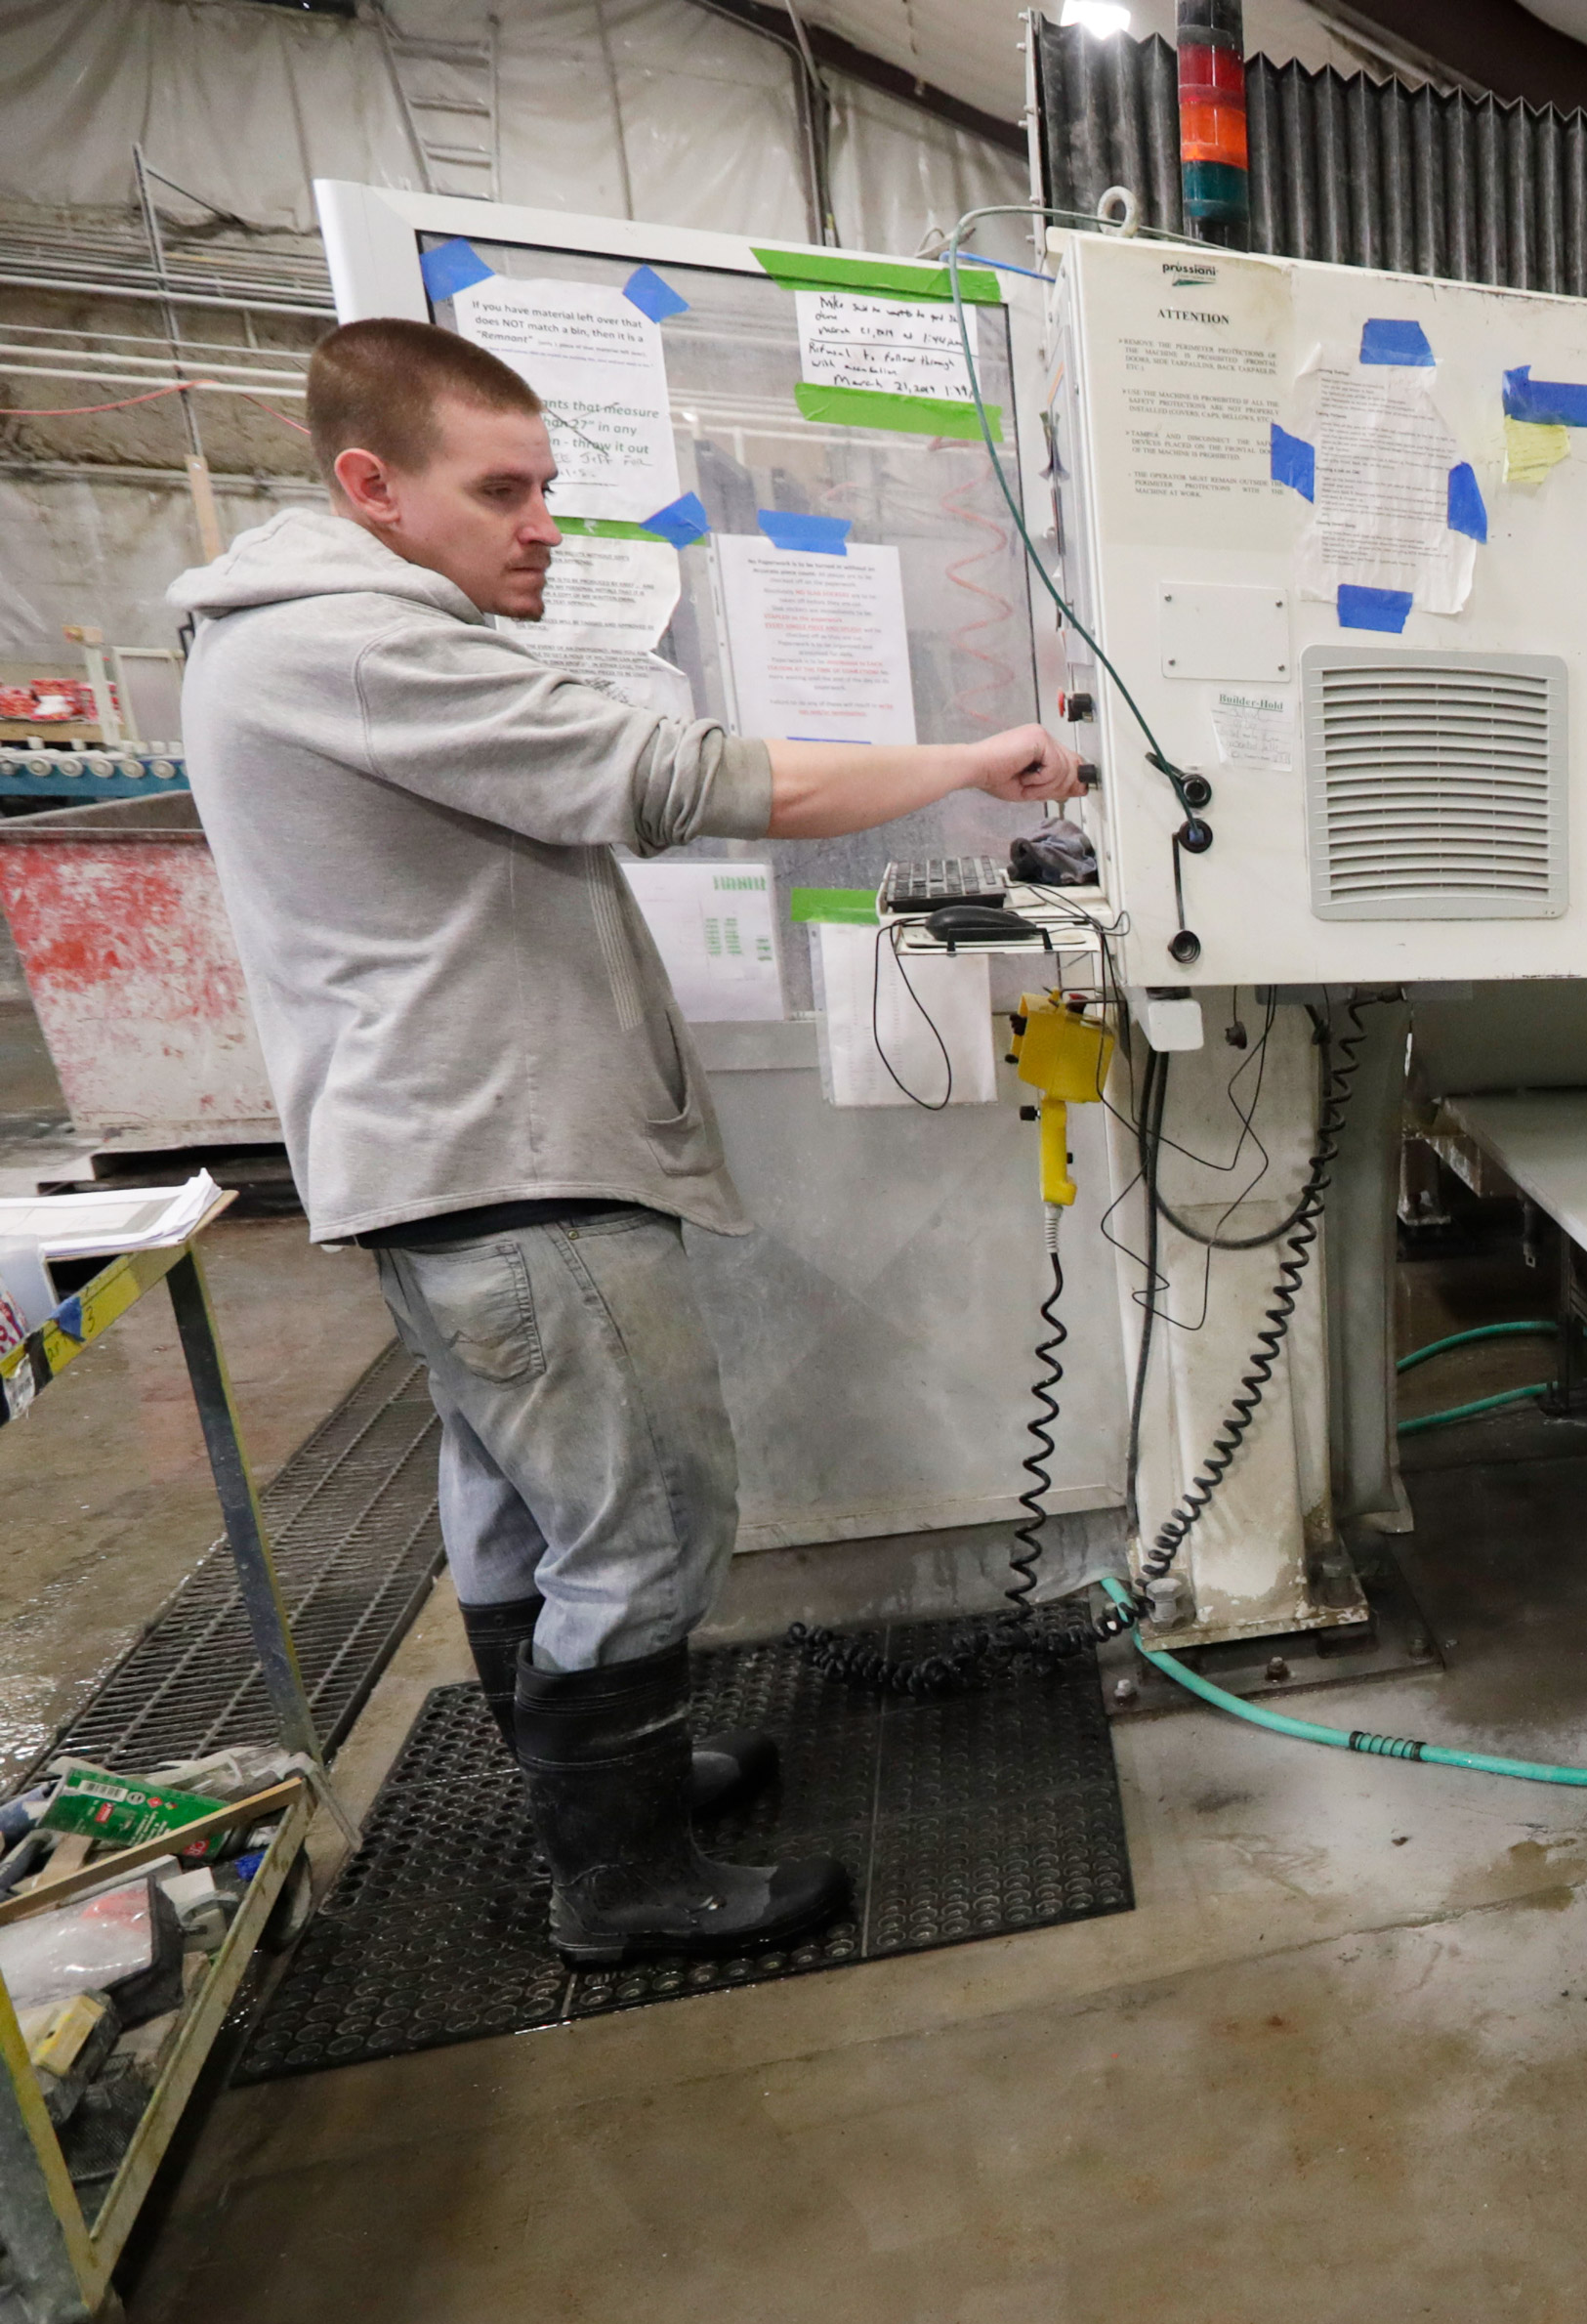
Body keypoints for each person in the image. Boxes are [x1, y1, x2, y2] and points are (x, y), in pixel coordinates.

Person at [170, 319, 1082, 1966]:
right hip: (511, 1166)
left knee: (526, 1509)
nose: (542, 527)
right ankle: (626, 1879)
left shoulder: (302, 640)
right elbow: (683, 780)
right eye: (499, 491)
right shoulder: (361, 650)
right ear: (371, 486)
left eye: (547, 487)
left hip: (451, 1161)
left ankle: (607, 1797)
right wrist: (970, 760)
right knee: (646, 1519)